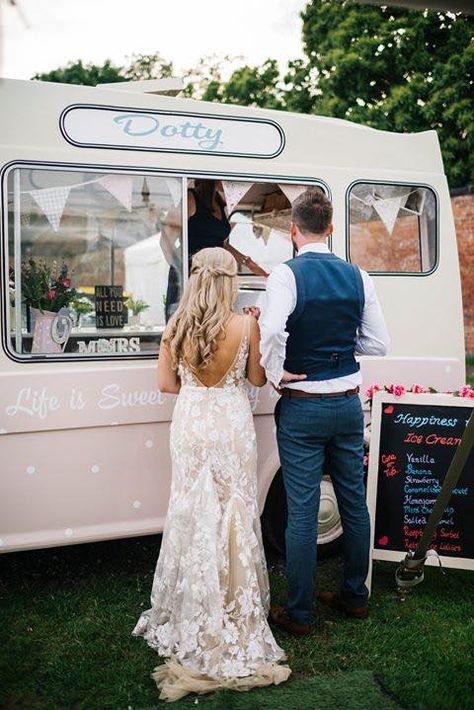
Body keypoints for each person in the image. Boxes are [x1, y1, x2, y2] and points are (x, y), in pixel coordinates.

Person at [132, 247, 291, 701]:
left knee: (190, 510)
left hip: (191, 425)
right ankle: (232, 607)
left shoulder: (175, 326)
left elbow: (166, 384)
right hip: (230, 426)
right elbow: (258, 380)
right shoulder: (246, 324)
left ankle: (188, 607)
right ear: (228, 282)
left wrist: (196, 385)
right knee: (234, 512)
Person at [258, 189, 389, 636]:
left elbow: (272, 328)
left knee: (302, 509)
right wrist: (340, 349)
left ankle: (299, 613)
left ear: (293, 230)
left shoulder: (285, 275)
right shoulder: (359, 276)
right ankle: (355, 597)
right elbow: (378, 344)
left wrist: (277, 370)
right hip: (349, 405)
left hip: (304, 406)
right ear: (331, 228)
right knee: (353, 501)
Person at [163, 180, 231, 320]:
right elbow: (165, 241)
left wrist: (249, 263)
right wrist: (183, 273)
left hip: (214, 278)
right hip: (191, 277)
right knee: (184, 327)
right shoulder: (189, 198)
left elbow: (222, 245)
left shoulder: (220, 201)